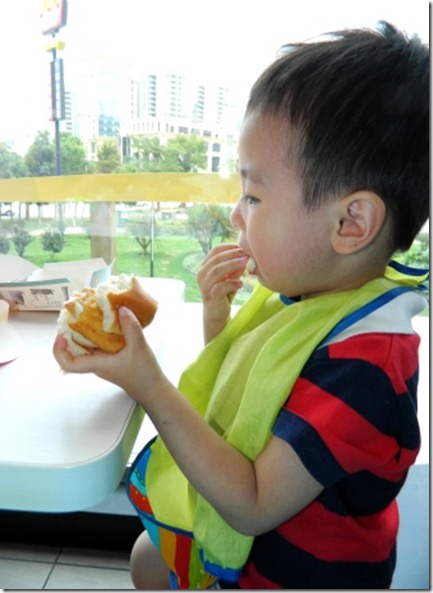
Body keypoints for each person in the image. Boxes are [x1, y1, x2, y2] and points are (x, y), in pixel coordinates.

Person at [53, 21, 429, 589]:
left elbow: (251, 503)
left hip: (295, 576)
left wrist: (149, 385)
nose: (235, 214)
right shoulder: (310, 299)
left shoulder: (366, 368)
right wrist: (217, 319)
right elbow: (252, 399)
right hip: (263, 549)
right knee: (146, 558)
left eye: (253, 195)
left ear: (350, 224)